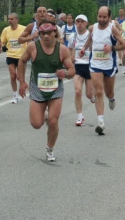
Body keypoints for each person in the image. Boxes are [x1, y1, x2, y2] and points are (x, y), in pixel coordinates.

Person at [18, 20, 75, 162]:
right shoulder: (33, 47)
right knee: (36, 124)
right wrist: (22, 82)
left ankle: (50, 149)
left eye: (49, 33)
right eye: (43, 33)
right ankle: (45, 114)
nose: (46, 36)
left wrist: (65, 73)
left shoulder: (62, 49)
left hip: (55, 90)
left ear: (55, 32)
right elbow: (21, 61)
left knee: (53, 121)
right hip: (37, 89)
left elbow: (72, 70)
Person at [79, 6, 125, 136]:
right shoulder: (92, 28)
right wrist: (84, 49)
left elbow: (124, 45)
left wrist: (111, 48)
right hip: (95, 64)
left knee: (108, 92)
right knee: (99, 91)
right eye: (99, 16)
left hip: (109, 65)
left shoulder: (112, 29)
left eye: (104, 17)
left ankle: (111, 98)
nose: (101, 19)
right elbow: (89, 40)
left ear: (109, 17)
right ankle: (100, 122)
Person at [67, 15, 95, 126]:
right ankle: (80, 116)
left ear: (86, 23)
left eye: (82, 21)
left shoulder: (91, 35)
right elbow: (70, 49)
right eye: (77, 21)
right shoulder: (72, 37)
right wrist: (71, 57)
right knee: (78, 91)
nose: (79, 23)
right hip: (78, 66)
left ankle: (93, 97)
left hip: (89, 66)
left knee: (89, 94)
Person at [1, 13, 27, 103]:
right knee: (13, 76)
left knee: (20, 77)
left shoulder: (24, 29)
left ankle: (22, 89)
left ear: (17, 20)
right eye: (9, 19)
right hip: (11, 55)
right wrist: (3, 46)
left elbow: (28, 40)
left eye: (12, 19)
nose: (10, 20)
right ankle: (15, 95)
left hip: (21, 57)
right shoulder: (6, 30)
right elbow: (2, 41)